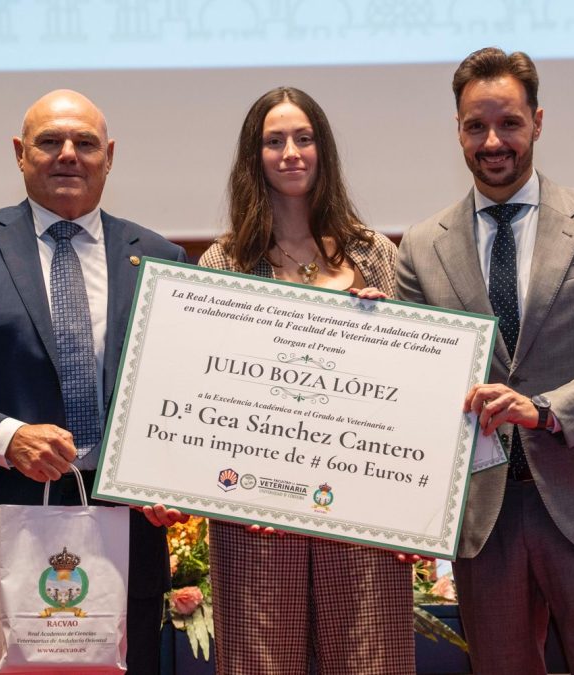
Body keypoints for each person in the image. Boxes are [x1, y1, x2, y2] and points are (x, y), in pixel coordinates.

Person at [0, 89, 188, 675]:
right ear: (20, 154)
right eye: (50, 142)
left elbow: (179, 399)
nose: (68, 155)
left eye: (85, 143)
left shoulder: (159, 256)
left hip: (123, 541)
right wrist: (8, 437)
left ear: (110, 155)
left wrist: (172, 477)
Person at [396, 48, 574, 674]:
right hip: (484, 523)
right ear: (458, 130)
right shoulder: (420, 246)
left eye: (510, 123)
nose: (493, 141)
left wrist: (545, 409)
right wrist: (374, 332)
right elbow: (413, 380)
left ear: (538, 122)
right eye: (475, 126)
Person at [198, 86, 414, 674]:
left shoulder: (375, 256)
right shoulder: (223, 265)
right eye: (274, 141)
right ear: (254, 156)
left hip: (365, 515)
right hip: (255, 517)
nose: (291, 152)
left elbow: (412, 389)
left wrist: (386, 334)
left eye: (304, 138)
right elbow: (206, 393)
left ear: (324, 150)